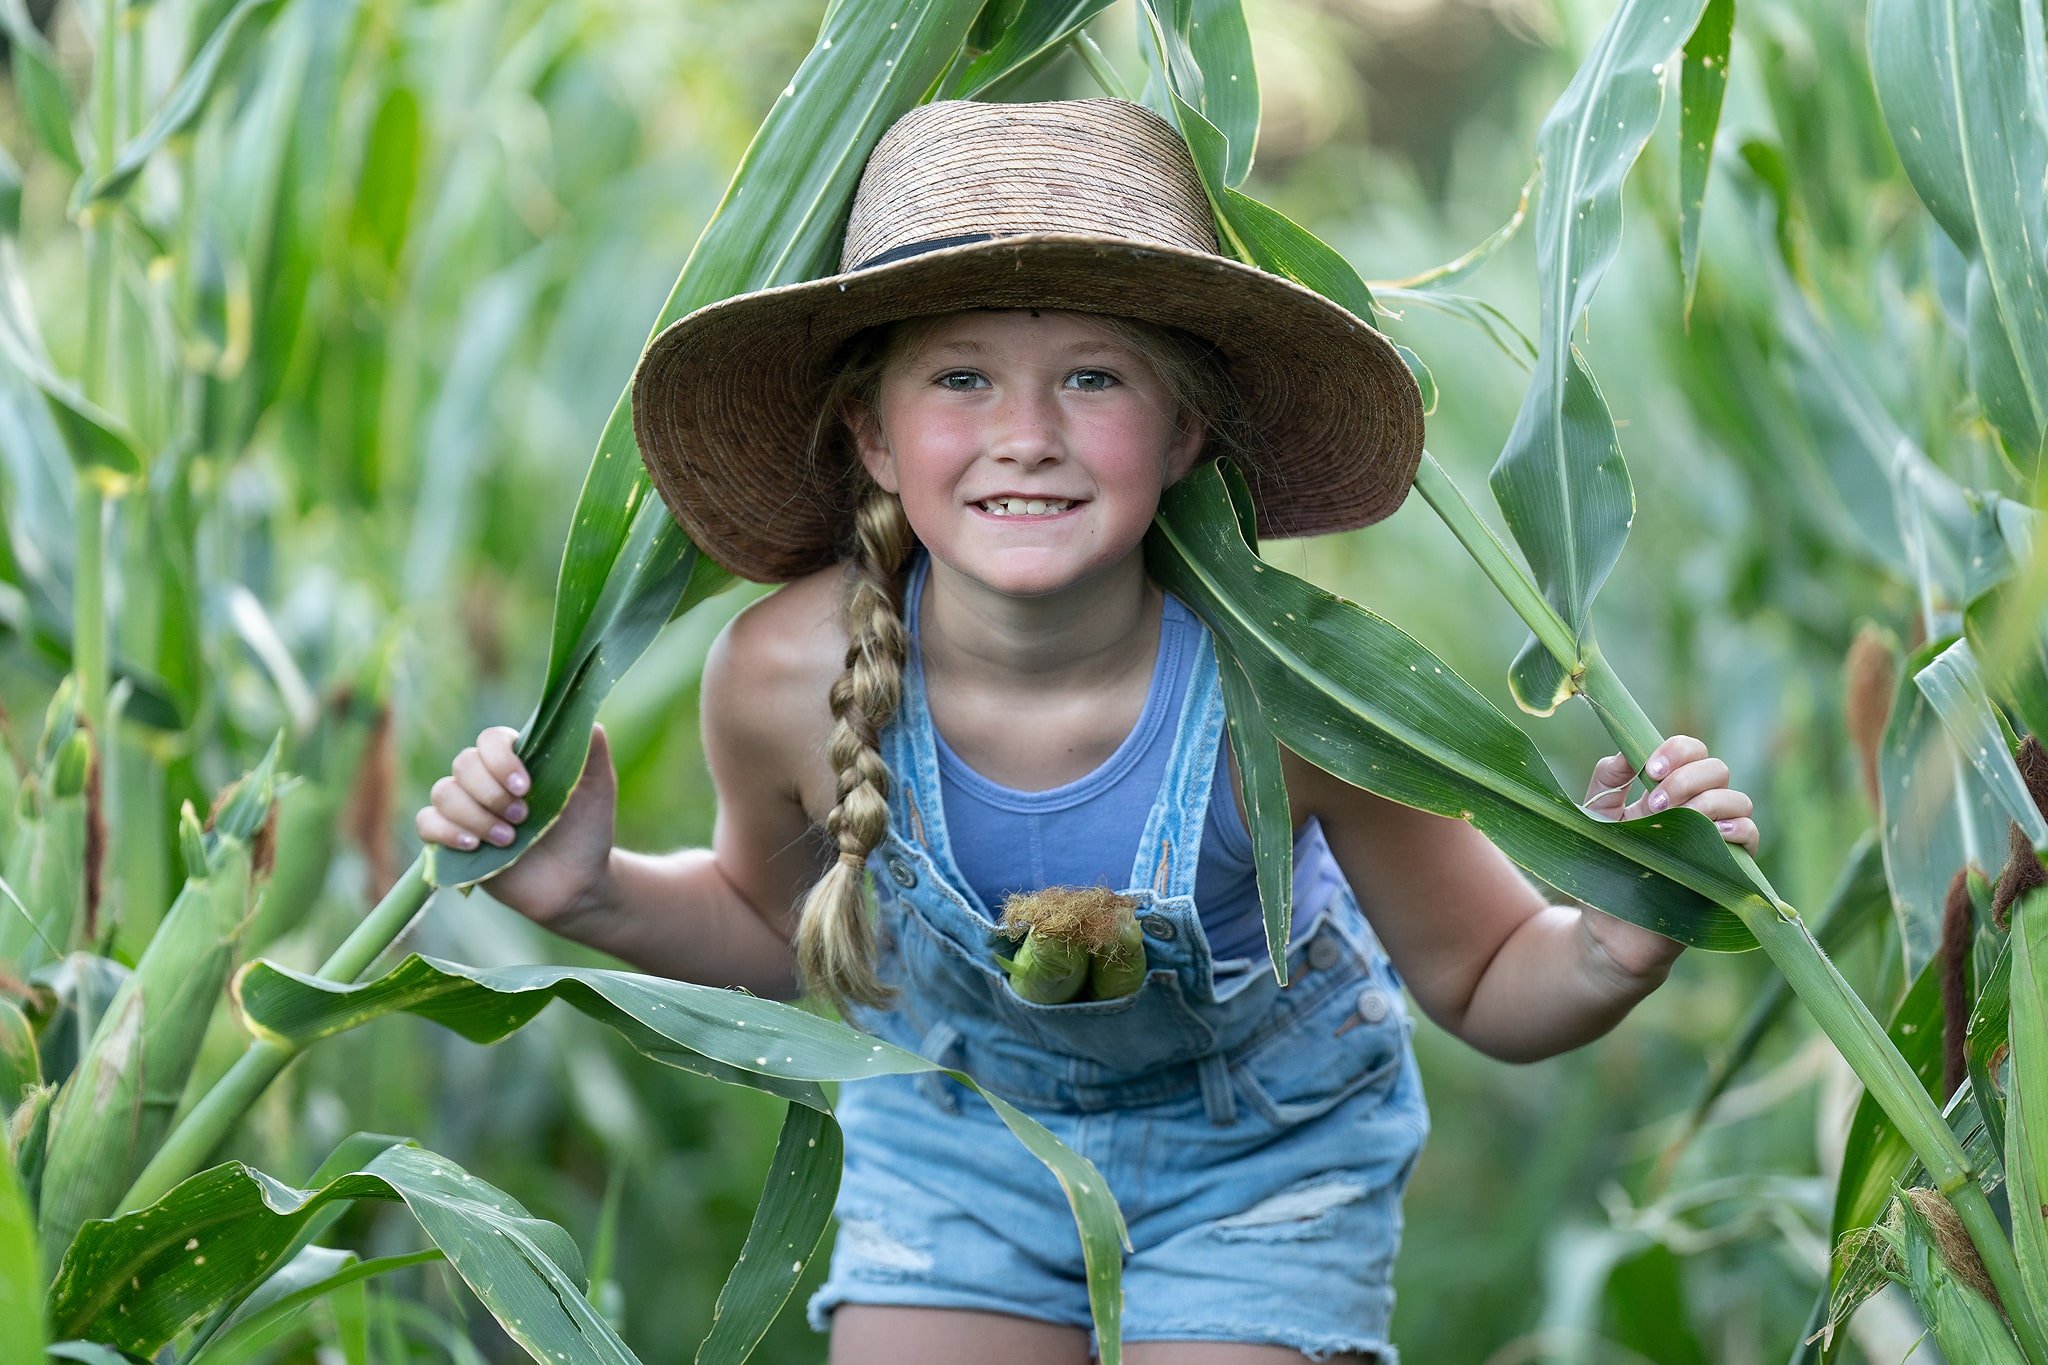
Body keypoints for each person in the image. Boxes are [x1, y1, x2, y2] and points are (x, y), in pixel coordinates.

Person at [414, 98, 1760, 1365]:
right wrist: (586, 889)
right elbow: (785, 937)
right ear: (871, 435)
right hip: (959, 1134)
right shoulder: (784, 673)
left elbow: (1486, 976)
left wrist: (1615, 935)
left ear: (1183, 431)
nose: (1029, 437)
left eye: (1095, 379)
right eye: (960, 379)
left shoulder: (1299, 693)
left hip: (1263, 1156)